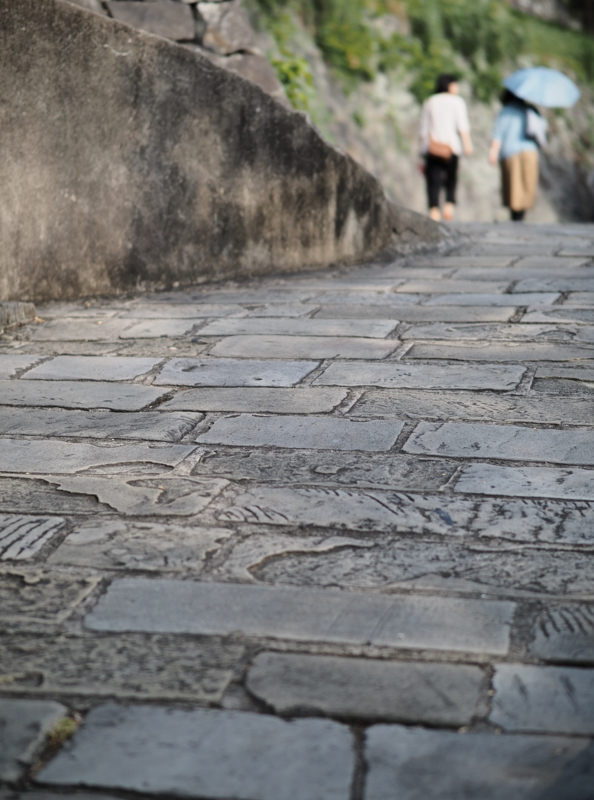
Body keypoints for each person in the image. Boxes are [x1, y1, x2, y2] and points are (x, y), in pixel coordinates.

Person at [419, 74, 473, 222]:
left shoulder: (430, 101)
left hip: (433, 149)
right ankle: (449, 205)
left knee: (433, 181)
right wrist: (467, 145)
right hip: (452, 147)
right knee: (451, 179)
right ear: (449, 85)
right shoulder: (457, 102)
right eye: (455, 84)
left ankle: (434, 211)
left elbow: (424, 130)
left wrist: (422, 150)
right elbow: (462, 126)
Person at [489, 89, 547, 222]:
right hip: (530, 152)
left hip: (511, 153)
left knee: (513, 185)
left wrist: (493, 152)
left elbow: (498, 134)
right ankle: (521, 215)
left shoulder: (506, 111)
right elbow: (542, 129)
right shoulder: (531, 110)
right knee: (527, 185)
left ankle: (515, 215)